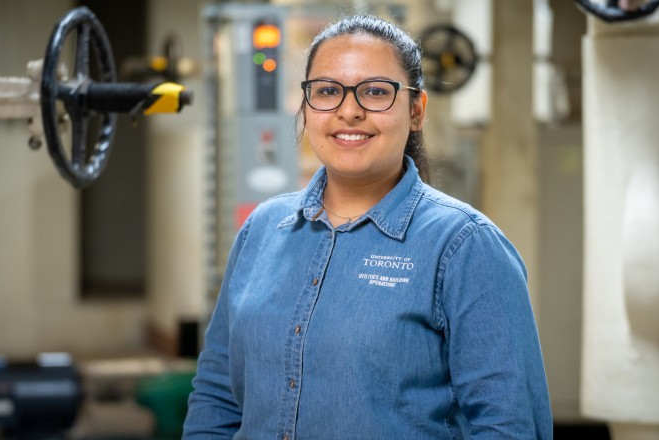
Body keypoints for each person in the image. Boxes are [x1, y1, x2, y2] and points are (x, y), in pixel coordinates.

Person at [183, 14, 552, 439]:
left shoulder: (465, 246)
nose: (349, 111)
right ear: (306, 107)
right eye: (327, 91)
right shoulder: (262, 230)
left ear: (416, 110)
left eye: (376, 91)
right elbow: (217, 397)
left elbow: (508, 425)